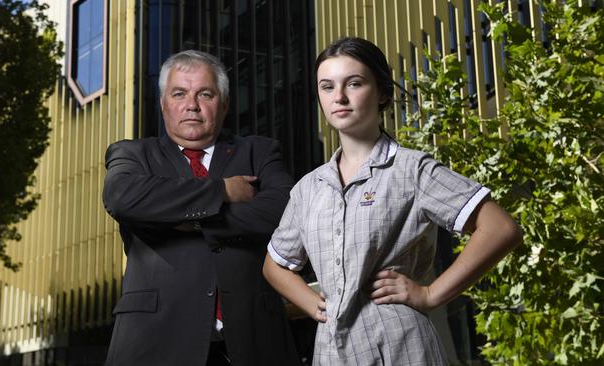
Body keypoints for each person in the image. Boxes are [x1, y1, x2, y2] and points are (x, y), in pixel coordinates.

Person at [263, 37, 523, 365]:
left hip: (402, 345)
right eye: (327, 87)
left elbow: (500, 228)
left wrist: (431, 294)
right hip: (331, 351)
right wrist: (316, 305)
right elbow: (274, 265)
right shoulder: (308, 189)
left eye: (354, 83)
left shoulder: (412, 169)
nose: (338, 97)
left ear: (382, 92)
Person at [103, 50, 300, 366]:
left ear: (223, 104)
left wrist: (191, 221)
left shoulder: (259, 152)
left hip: (256, 342)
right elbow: (121, 197)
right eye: (179, 93)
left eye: (204, 94)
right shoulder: (134, 155)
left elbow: (286, 209)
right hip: (154, 343)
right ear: (164, 103)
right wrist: (222, 190)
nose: (191, 105)